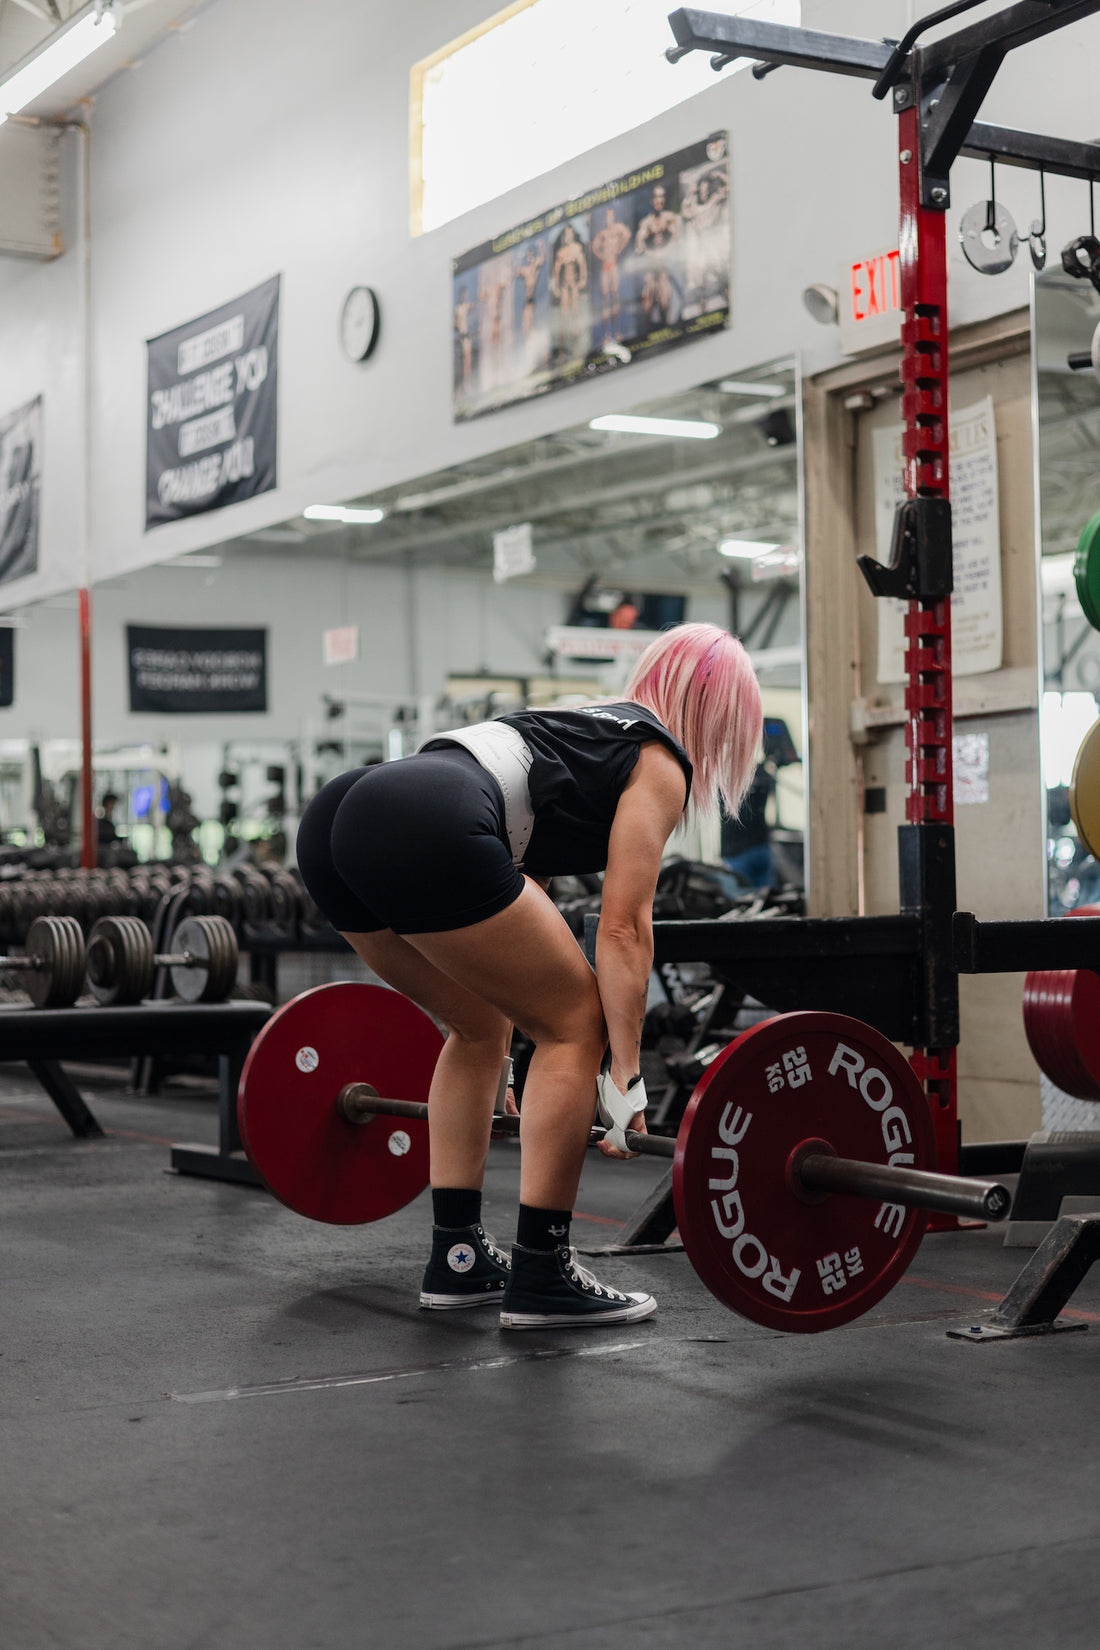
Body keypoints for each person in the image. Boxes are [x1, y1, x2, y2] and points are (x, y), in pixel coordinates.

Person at [296, 623, 762, 1330]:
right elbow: (624, 927)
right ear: (724, 718)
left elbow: (521, 886)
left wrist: (513, 1060)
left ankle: (457, 1259)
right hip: (428, 817)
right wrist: (625, 1074)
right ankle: (543, 1270)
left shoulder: (579, 722)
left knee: (479, 1025)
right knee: (577, 1023)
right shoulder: (657, 758)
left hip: (345, 813)